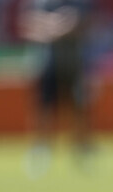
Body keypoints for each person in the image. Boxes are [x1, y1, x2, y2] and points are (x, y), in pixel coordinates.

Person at [19, 0, 95, 177]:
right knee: (43, 108)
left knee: (79, 108)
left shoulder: (78, 2)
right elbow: (28, 25)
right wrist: (53, 25)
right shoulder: (41, 3)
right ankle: (41, 150)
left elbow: (84, 24)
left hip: (73, 63)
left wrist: (60, 27)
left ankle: (81, 149)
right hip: (46, 63)